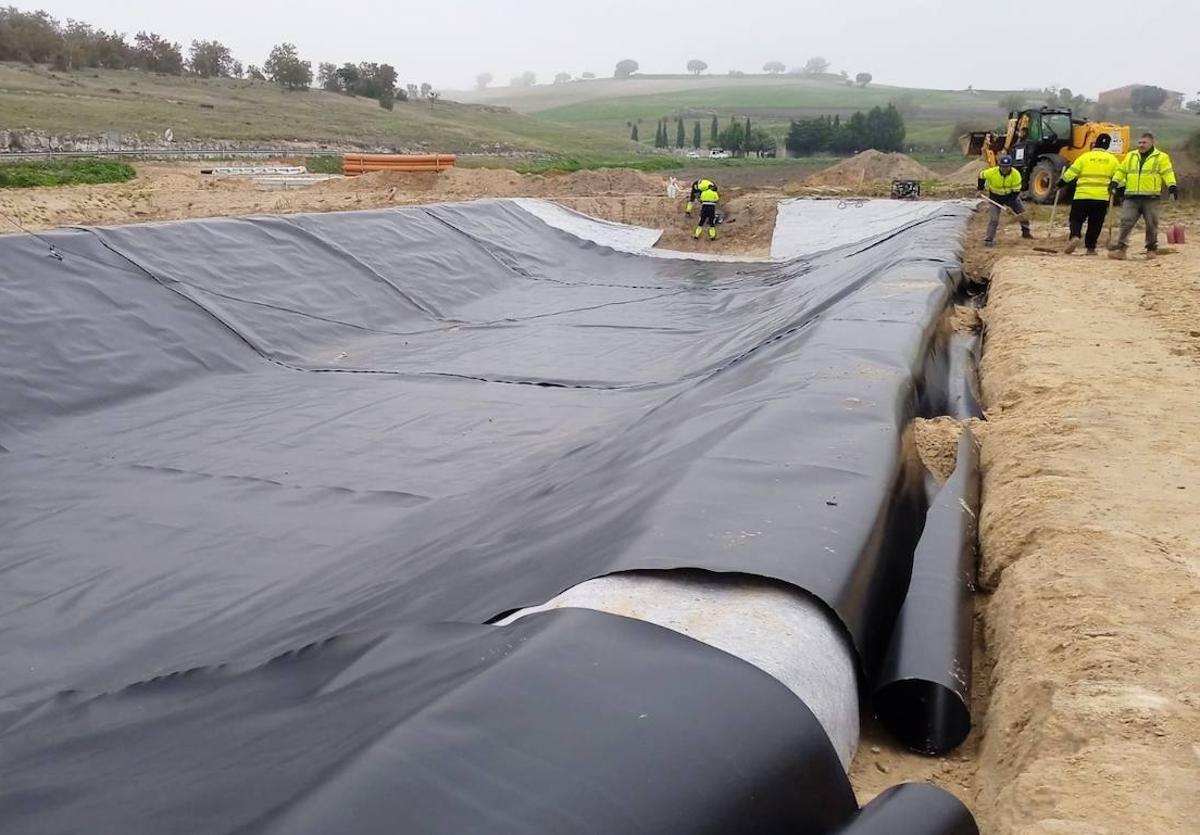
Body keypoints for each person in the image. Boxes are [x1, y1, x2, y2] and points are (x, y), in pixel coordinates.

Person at [1109, 132, 1178, 260]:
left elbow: (1167, 172)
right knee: (1125, 222)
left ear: (1152, 143)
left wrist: (1172, 187)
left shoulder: (1161, 157)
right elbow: (1121, 171)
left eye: (1144, 143)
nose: (1141, 145)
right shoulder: (1131, 156)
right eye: (1139, 143)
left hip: (1151, 197)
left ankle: (1151, 249)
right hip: (1131, 197)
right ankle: (1121, 249)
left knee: (1151, 224)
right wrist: (1114, 182)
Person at [1056, 134, 1119, 255]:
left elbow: (1071, 173)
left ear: (1095, 143)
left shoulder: (1084, 157)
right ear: (1108, 145)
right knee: (1095, 223)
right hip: (1101, 198)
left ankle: (1074, 236)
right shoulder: (1112, 160)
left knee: (1076, 219)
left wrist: (1060, 183)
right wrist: (1116, 188)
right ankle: (1090, 248)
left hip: (1081, 196)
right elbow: (1119, 177)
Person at [977, 155, 1032, 247]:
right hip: (995, 197)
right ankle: (989, 239)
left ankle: (1026, 232)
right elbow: (981, 175)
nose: (1004, 169)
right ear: (999, 166)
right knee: (994, 219)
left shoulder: (1016, 175)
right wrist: (980, 189)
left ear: (1010, 166)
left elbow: (1016, 192)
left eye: (1007, 167)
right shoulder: (991, 172)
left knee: (1022, 214)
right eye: (1002, 166)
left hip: (1011, 196)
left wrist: (1010, 205)